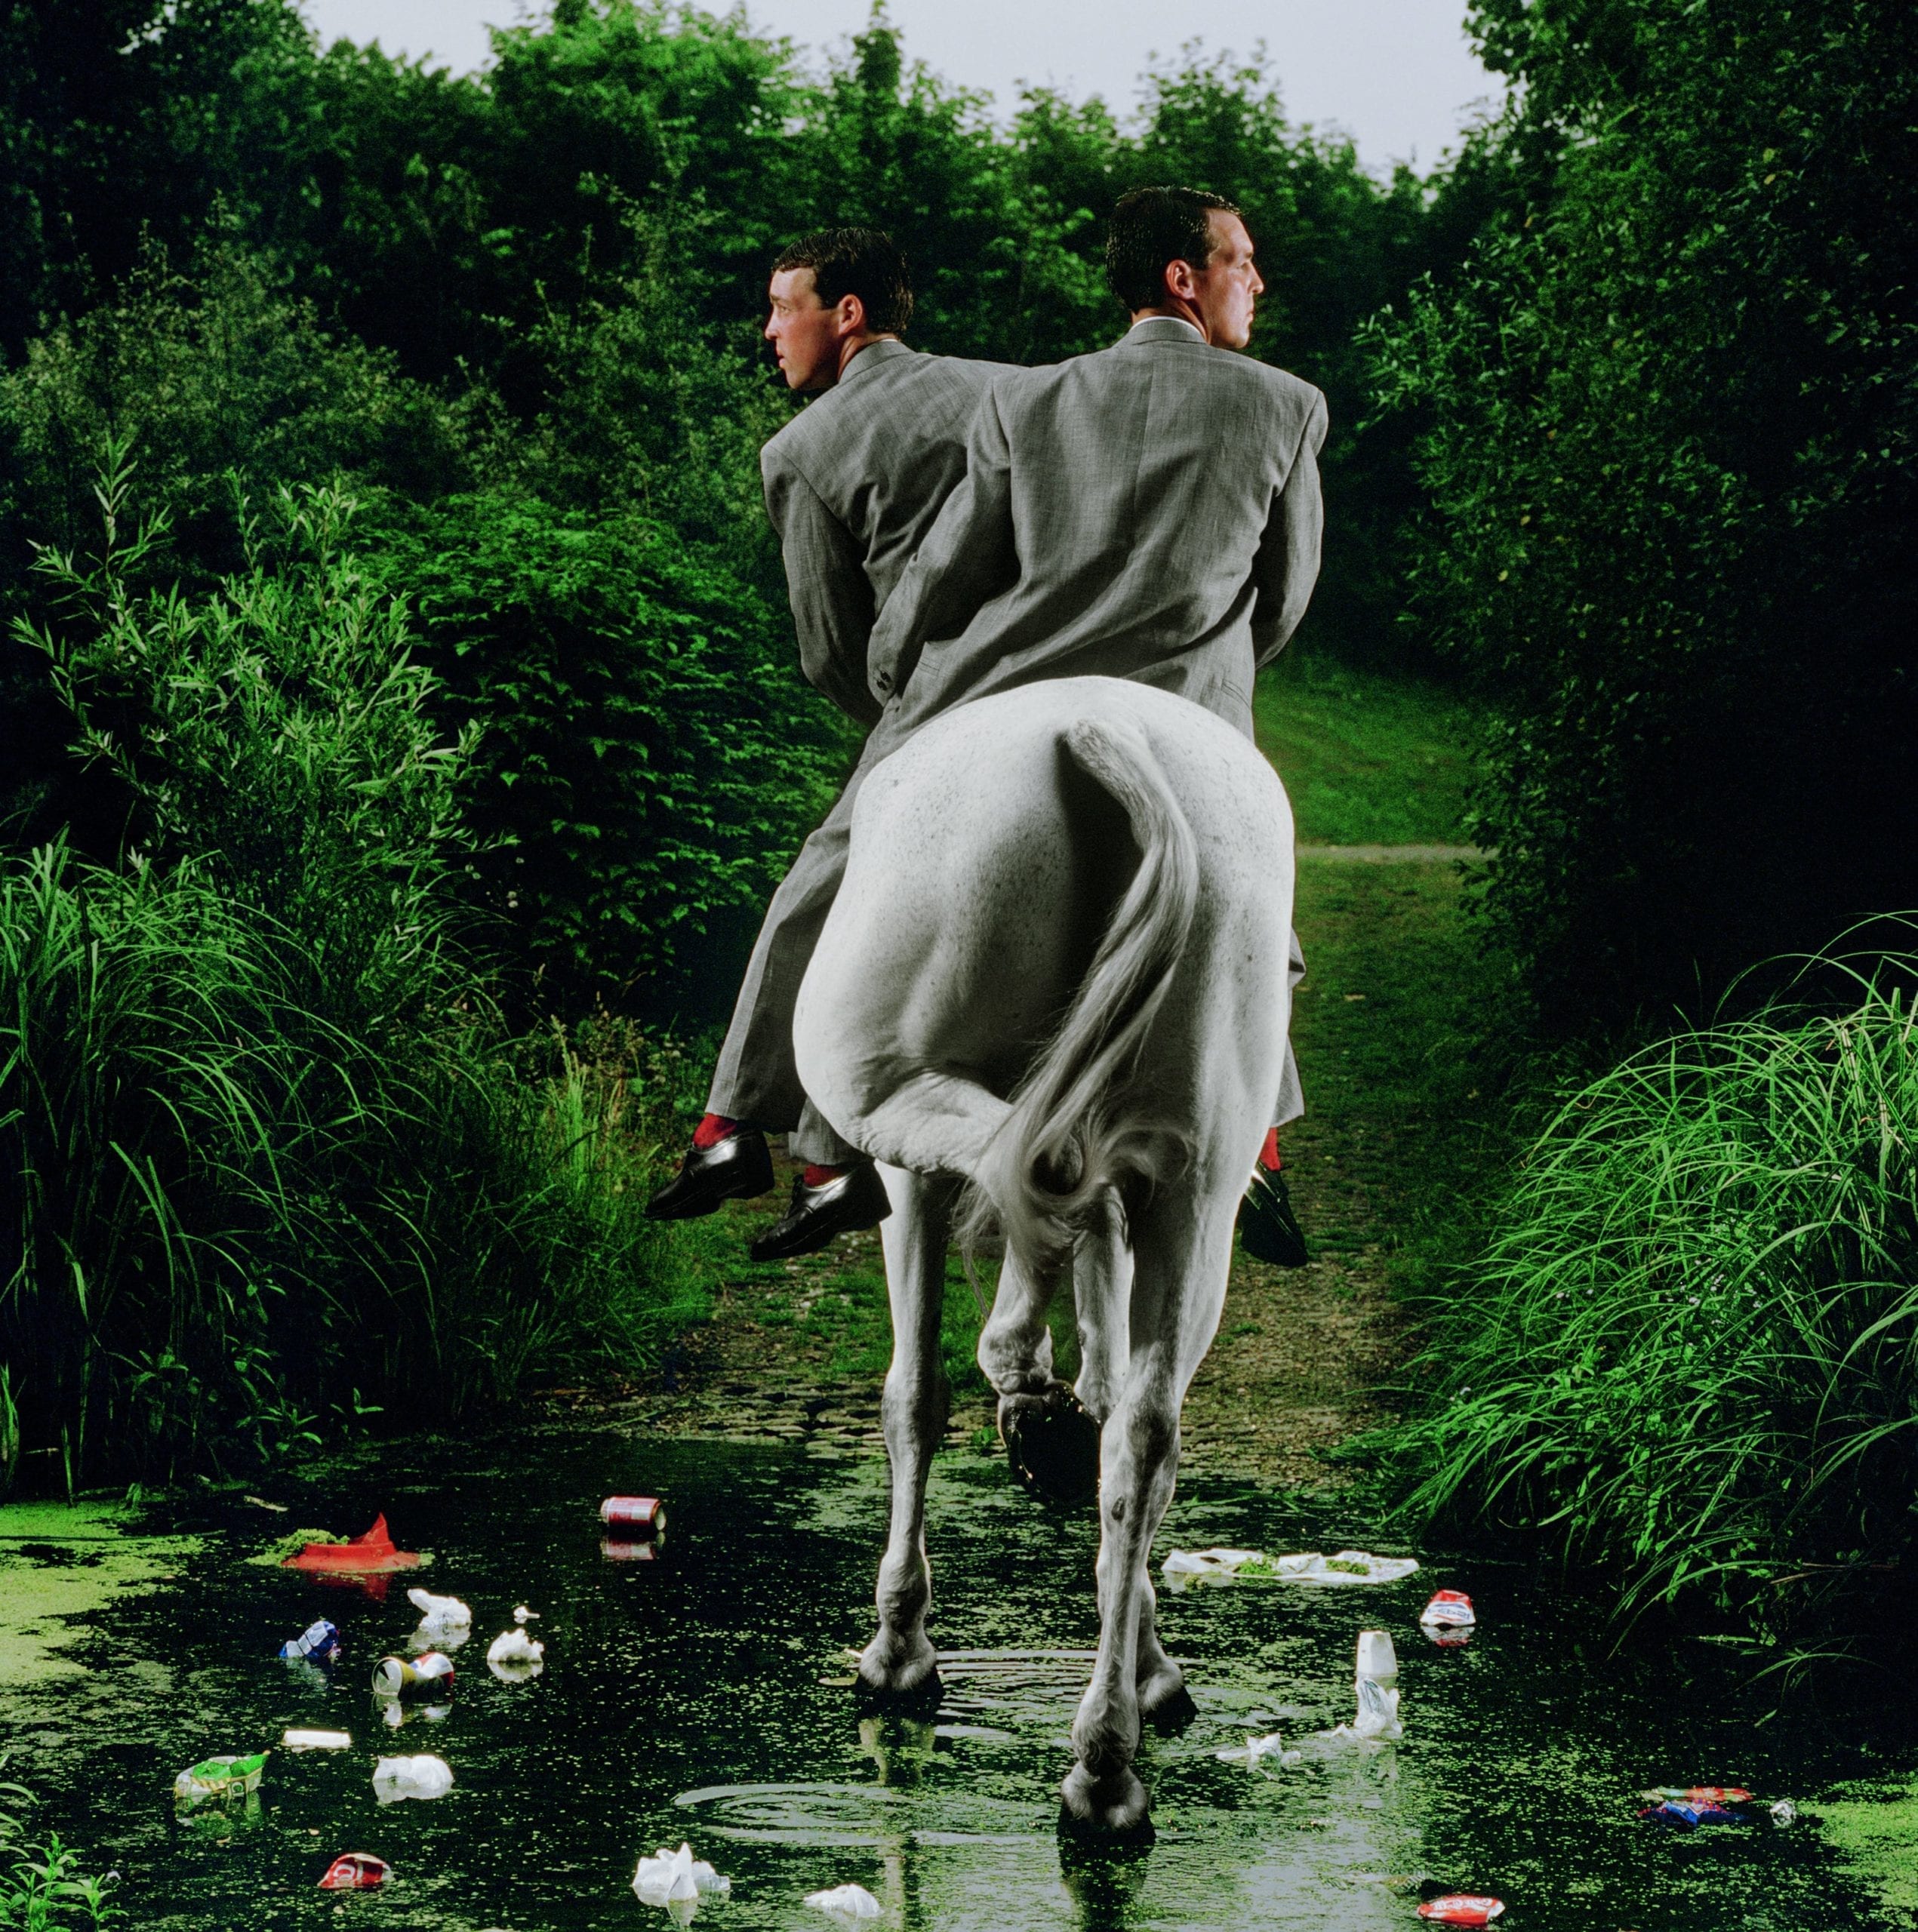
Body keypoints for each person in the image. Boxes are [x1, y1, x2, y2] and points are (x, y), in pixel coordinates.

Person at [865, 185, 1327, 1265]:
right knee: (1254, 938)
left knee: (850, 878)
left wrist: (896, 683)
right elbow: (1286, 598)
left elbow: (946, 576)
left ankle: (827, 1110)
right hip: (1189, 707)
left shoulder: (1021, 405)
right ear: (1184, 276)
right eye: (1241, 261)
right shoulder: (1284, 404)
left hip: (1007, 697)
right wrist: (1212, 675)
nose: (1256, 280)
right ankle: (1250, 1147)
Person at [645, 228, 999, 1260]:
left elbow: (831, 653)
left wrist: (894, 715)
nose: (767, 331)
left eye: (781, 306)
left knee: (815, 891)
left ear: (846, 314)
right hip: (1080, 663)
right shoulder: (1011, 390)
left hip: (935, 704)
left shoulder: (799, 453)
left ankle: (743, 1131)